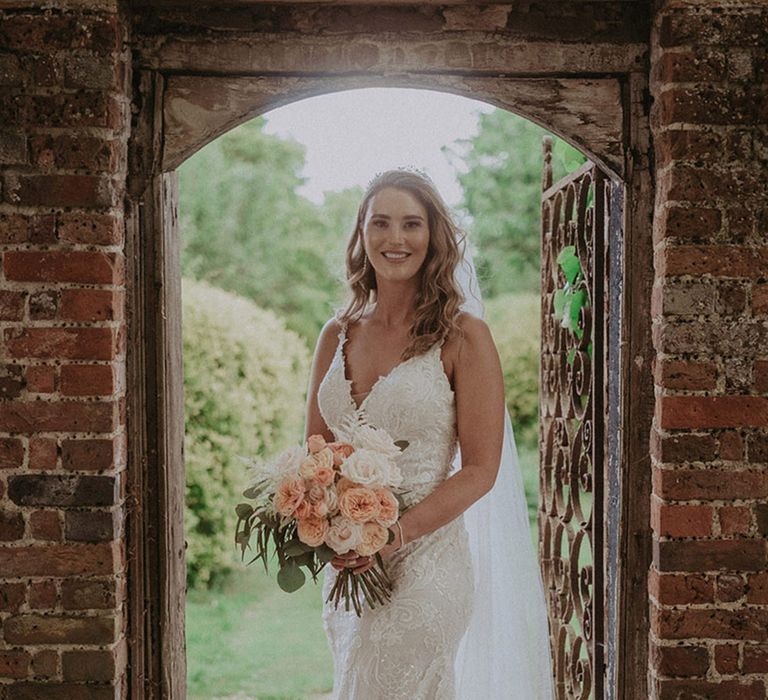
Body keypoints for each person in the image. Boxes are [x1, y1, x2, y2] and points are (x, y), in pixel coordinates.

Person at [303, 169, 554, 699]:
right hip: (349, 562)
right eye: (381, 223)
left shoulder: (464, 335)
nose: (395, 239)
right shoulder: (337, 333)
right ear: (362, 235)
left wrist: (393, 535)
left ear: (433, 237)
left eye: (411, 224)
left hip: (427, 560)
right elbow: (316, 450)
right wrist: (330, 525)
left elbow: (482, 469)